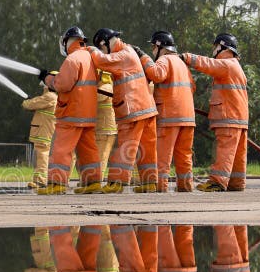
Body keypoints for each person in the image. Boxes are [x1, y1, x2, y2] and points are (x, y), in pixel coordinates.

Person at [87, 28, 159, 193]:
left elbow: (102, 61)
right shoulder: (128, 51)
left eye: (100, 47)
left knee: (126, 146)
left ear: (104, 43)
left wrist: (89, 49)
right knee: (146, 149)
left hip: (132, 109)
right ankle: (149, 183)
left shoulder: (123, 54)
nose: (101, 51)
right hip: (146, 108)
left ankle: (116, 182)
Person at [37, 27, 103, 195]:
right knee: (88, 149)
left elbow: (62, 84)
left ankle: (56, 183)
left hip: (71, 112)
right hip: (88, 114)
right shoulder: (90, 57)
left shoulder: (72, 59)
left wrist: (48, 79)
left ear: (68, 41)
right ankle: (92, 182)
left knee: (61, 148)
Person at [180, 33, 248, 192]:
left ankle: (217, 182)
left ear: (222, 47)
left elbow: (207, 64)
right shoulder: (236, 66)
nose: (213, 50)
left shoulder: (227, 64)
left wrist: (187, 57)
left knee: (224, 150)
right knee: (237, 154)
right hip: (239, 117)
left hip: (228, 116)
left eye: (215, 46)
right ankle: (236, 183)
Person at [135, 31, 196, 192]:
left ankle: (160, 188)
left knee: (162, 156)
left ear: (159, 46)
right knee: (184, 156)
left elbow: (157, 74)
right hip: (188, 117)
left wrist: (143, 57)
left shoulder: (164, 59)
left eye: (153, 47)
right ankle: (185, 187)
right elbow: (192, 87)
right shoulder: (182, 64)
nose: (152, 51)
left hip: (170, 116)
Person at [21, 85, 57, 188]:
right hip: (44, 132)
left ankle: (40, 181)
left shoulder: (50, 96)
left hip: (44, 132)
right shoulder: (51, 97)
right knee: (41, 156)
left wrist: (26, 102)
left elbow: (32, 104)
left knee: (42, 155)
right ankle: (40, 180)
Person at [95, 70, 118, 178]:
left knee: (101, 155)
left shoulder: (106, 87)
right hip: (102, 127)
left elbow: (97, 97)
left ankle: (97, 178)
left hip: (106, 129)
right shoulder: (103, 87)